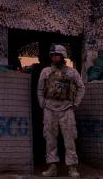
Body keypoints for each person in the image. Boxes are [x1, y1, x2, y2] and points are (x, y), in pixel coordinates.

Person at [36, 44, 85, 177]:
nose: (54, 57)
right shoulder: (45, 71)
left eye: (57, 55)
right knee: (50, 139)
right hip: (50, 109)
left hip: (67, 109)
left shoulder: (72, 72)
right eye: (52, 55)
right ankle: (52, 167)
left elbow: (81, 87)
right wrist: (43, 104)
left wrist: (76, 104)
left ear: (63, 56)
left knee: (70, 139)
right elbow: (40, 89)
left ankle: (72, 168)